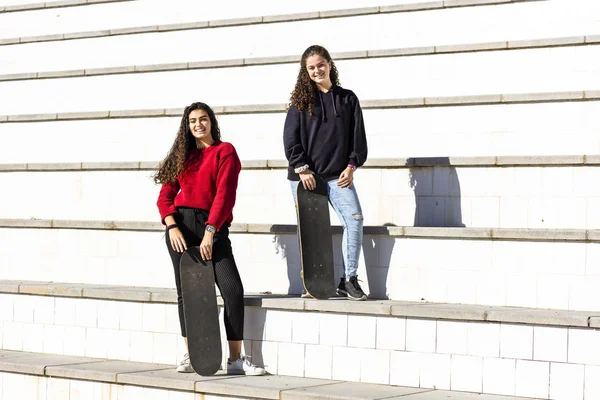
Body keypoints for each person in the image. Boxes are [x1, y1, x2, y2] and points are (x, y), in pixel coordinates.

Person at [154, 102, 265, 375]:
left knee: (232, 290)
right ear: (187, 126)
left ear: (211, 122)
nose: (198, 124)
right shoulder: (183, 156)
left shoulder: (225, 151)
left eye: (203, 119)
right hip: (181, 228)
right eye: (192, 121)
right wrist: (171, 226)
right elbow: (165, 196)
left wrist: (211, 231)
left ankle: (235, 360)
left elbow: (225, 195)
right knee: (187, 295)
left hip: (212, 227)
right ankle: (191, 355)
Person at [283, 45, 368, 301]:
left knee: (354, 220)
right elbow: (290, 140)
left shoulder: (348, 98)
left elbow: (358, 139)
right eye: (311, 68)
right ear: (305, 72)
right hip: (306, 177)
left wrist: (352, 166)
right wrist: (303, 169)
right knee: (311, 231)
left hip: (338, 176)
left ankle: (348, 280)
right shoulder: (300, 103)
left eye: (320, 65)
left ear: (329, 64)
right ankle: (314, 284)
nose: (317, 70)